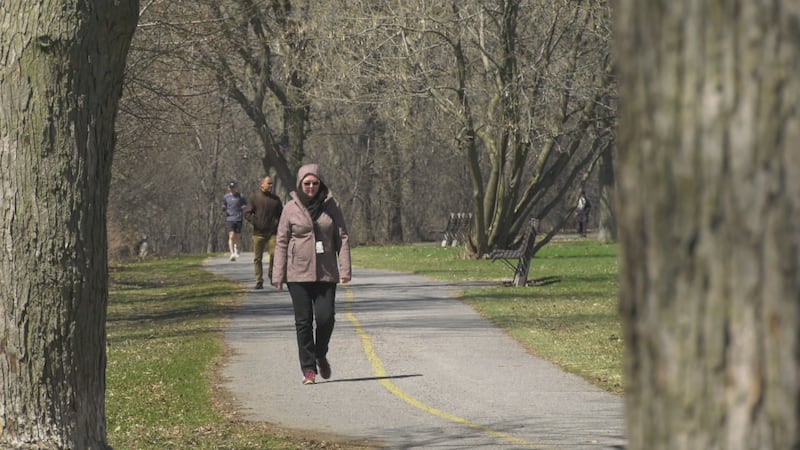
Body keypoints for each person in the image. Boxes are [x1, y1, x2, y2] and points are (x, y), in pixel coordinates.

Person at [272, 163, 351, 385]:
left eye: (315, 183)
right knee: (303, 322)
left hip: (326, 273)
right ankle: (308, 369)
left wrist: (344, 269)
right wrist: (278, 274)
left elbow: (342, 237)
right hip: (297, 274)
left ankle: (320, 353)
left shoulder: (331, 206)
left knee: (326, 318)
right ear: (300, 184)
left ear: (320, 184)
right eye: (306, 183)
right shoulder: (290, 208)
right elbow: (281, 241)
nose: (311, 187)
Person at [244, 176, 283, 290]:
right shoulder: (254, 197)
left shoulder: (275, 200)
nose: (271, 186)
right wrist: (255, 221)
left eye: (272, 184)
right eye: (268, 183)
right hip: (258, 233)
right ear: (262, 184)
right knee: (257, 258)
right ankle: (259, 280)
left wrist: (277, 223)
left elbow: (282, 214)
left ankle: (272, 276)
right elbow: (247, 213)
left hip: (272, 233)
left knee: (274, 255)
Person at [223, 181, 247, 261]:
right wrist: (223, 208)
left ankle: (237, 249)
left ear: (236, 188)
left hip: (238, 218)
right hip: (230, 218)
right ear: (228, 188)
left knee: (237, 236)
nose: (232, 189)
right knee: (231, 235)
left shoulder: (240, 196)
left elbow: (245, 204)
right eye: (231, 187)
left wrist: (243, 207)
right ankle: (232, 253)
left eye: (233, 187)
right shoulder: (226, 197)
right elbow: (224, 205)